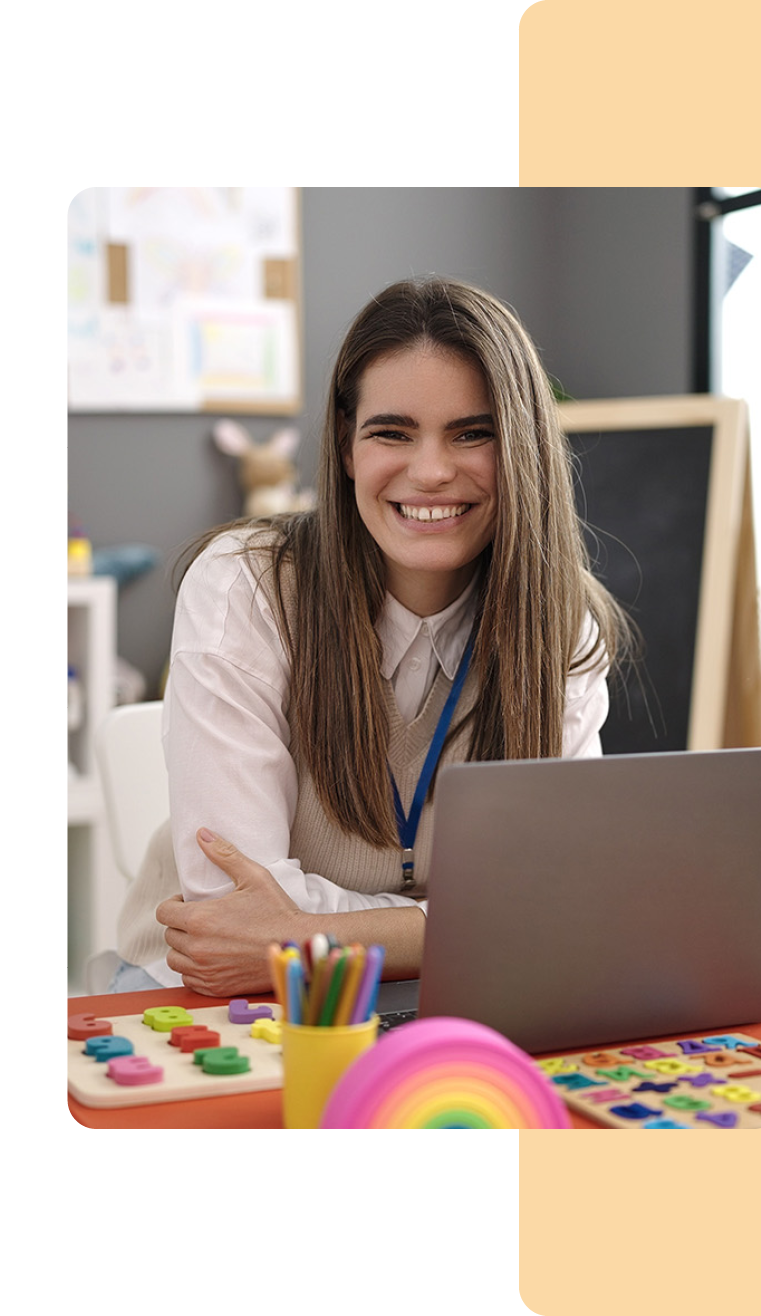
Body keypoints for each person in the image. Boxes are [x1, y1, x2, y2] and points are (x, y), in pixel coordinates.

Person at [109, 275, 634, 996]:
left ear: (521, 449)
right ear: (347, 448)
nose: (430, 472)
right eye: (392, 432)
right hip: (208, 996)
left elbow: (564, 908)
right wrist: (457, 927)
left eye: (472, 433)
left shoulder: (561, 624)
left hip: (450, 991)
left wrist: (302, 937)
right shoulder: (246, 586)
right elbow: (229, 914)